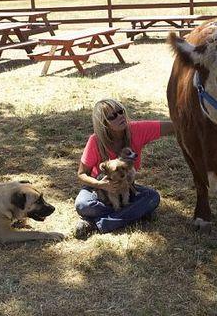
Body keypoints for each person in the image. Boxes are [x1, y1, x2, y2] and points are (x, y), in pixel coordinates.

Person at [74, 98, 174, 239]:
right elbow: (81, 174)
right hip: (98, 188)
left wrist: (199, 121)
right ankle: (132, 214)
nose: (120, 116)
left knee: (152, 198)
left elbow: (172, 127)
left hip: (126, 186)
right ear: (103, 123)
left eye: (120, 111)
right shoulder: (95, 140)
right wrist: (101, 184)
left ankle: (95, 223)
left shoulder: (136, 130)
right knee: (83, 204)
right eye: (112, 116)